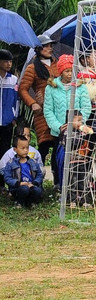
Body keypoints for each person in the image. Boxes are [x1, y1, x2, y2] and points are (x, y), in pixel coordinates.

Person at [42, 54, 91, 190]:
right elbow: (48, 110)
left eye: (72, 70)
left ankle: (77, 184)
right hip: (59, 130)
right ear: (61, 71)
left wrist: (79, 123)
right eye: (67, 71)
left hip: (77, 130)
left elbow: (86, 107)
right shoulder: (51, 87)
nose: (70, 74)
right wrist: (58, 126)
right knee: (59, 156)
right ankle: (59, 183)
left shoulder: (80, 87)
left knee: (77, 157)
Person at [19, 34, 58, 170]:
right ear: (38, 49)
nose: (50, 48)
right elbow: (23, 89)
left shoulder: (58, 64)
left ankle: (58, 182)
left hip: (58, 110)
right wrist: (32, 103)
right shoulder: (32, 68)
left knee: (59, 146)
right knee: (44, 146)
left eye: (50, 45)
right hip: (42, 112)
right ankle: (37, 178)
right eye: (46, 46)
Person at [2, 131, 44, 207]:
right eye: (22, 148)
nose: (26, 150)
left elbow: (39, 174)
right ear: (15, 149)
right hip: (18, 188)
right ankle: (19, 202)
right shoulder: (11, 163)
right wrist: (19, 183)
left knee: (38, 191)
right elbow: (7, 178)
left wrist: (34, 183)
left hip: (31, 185)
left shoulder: (33, 162)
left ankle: (30, 202)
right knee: (24, 190)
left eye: (27, 148)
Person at [0, 49, 19, 182]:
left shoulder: (13, 80)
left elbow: (16, 100)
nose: (9, 64)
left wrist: (14, 117)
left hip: (7, 122)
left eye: (10, 61)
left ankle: (2, 183)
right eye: (6, 61)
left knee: (4, 152)